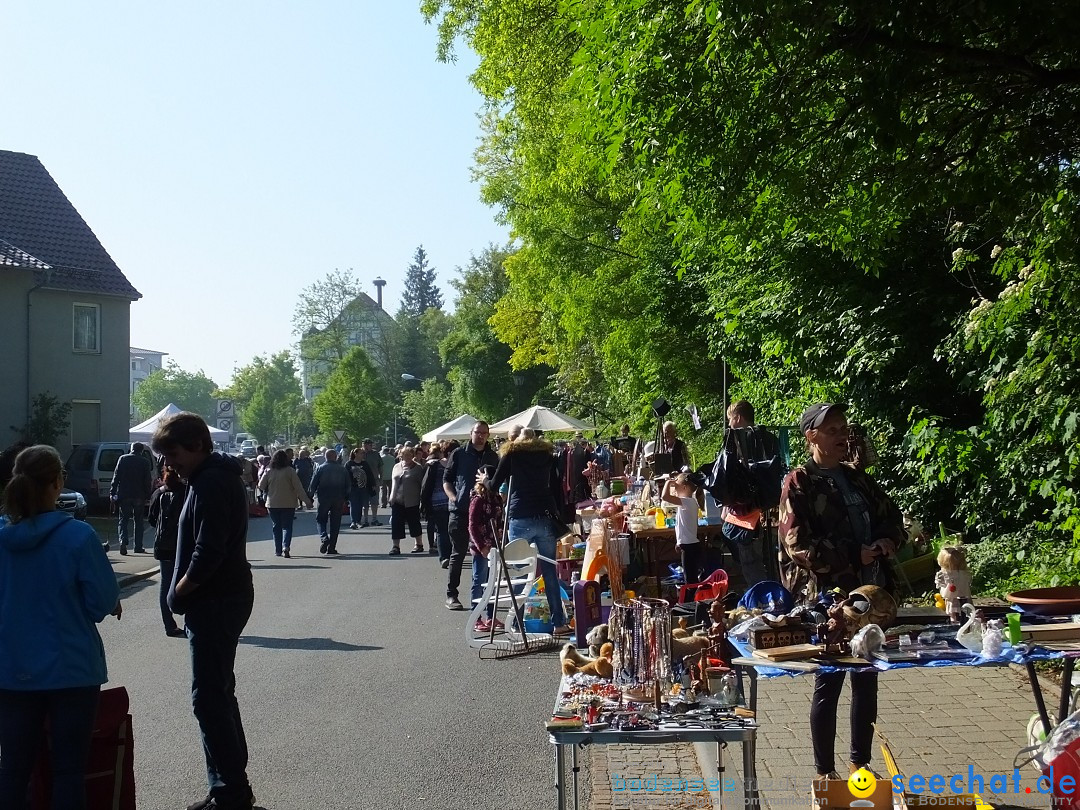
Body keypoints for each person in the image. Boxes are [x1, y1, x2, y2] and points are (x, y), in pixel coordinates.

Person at [778, 402, 905, 780]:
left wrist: (886, 541)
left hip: (871, 597)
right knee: (829, 681)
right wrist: (852, 553)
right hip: (829, 600)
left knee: (867, 678)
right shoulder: (799, 481)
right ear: (811, 436)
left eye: (843, 428)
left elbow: (892, 517)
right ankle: (825, 773)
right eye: (831, 430)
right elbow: (796, 544)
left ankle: (860, 766)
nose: (841, 436)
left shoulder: (858, 478)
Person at [0, 445, 121, 810]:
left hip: (11, 669)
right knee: (68, 772)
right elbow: (101, 602)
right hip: (71, 669)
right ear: (57, 483)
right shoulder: (79, 537)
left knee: (13, 770)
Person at [152, 412, 255, 810]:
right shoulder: (210, 476)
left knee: (209, 698)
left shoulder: (211, 481)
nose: (168, 463)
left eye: (173, 453)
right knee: (218, 695)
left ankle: (230, 792)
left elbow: (208, 550)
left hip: (214, 600)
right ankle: (231, 786)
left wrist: (178, 592)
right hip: (222, 597)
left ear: (197, 444)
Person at [491, 427, 571, 635]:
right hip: (544, 515)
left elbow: (494, 485)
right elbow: (555, 486)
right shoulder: (546, 455)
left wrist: (484, 480)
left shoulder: (512, 454)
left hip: (520, 515)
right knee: (549, 572)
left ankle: (517, 623)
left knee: (517, 572)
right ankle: (558, 623)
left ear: (517, 439)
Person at [444, 422, 499, 610]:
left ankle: (486, 598)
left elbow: (499, 482)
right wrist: (453, 498)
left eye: (485, 433)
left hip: (485, 514)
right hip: (460, 511)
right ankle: (452, 594)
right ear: (471, 433)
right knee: (458, 553)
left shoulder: (492, 456)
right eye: (478, 432)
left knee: (486, 555)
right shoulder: (459, 453)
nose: (481, 436)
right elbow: (447, 480)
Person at [719, 400, 770, 588]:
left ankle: (761, 600)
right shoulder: (766, 437)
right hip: (764, 508)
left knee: (751, 563)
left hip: (746, 514)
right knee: (759, 560)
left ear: (737, 418)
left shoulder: (740, 442)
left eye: (729, 420)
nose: (729, 424)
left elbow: (732, 479)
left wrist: (726, 504)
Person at [148, 465, 188, 637]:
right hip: (183, 546)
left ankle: (169, 625)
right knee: (187, 584)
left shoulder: (158, 493)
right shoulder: (187, 492)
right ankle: (190, 624)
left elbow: (151, 519)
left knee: (166, 585)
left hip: (163, 546)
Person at [468, 465, 504, 633]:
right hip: (481, 547)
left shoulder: (496, 498)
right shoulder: (478, 499)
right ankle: (476, 618)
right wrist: (481, 546)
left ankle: (491, 616)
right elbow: (472, 525)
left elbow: (500, 520)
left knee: (493, 583)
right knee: (479, 581)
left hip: (495, 545)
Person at [259, 450, 312, 557]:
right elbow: (299, 488)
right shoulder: (290, 471)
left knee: (276, 526)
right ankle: (286, 546)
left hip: (272, 503)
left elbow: (261, 485)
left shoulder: (269, 470)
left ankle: (278, 550)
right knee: (287, 526)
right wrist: (307, 501)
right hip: (288, 503)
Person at [661, 471, 708, 585]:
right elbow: (682, 526)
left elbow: (664, 497)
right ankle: (693, 596)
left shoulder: (686, 502)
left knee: (690, 578)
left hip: (689, 546)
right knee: (691, 575)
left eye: (676, 487)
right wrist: (679, 542)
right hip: (688, 543)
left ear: (684, 487)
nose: (675, 490)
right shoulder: (690, 502)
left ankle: (691, 599)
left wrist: (668, 483)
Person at [110, 440, 154, 555]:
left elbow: (116, 476)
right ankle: (138, 546)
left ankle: (122, 541)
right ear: (142, 451)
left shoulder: (123, 459)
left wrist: (112, 492)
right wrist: (148, 495)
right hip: (139, 495)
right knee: (139, 521)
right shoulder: (145, 462)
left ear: (131, 449)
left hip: (124, 494)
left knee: (123, 520)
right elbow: (147, 480)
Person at [309, 448, 351, 555]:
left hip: (323, 498)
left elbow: (313, 484)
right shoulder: (342, 469)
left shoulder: (320, 468)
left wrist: (310, 497)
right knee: (335, 523)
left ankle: (324, 537)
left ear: (325, 457)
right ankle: (332, 547)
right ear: (336, 457)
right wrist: (347, 498)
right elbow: (348, 486)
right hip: (338, 498)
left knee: (320, 519)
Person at [389, 446, 427, 555]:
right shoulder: (396, 466)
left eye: (410, 455)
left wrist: (422, 500)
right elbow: (393, 482)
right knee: (396, 524)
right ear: (401, 455)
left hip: (412, 500)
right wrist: (392, 496)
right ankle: (396, 546)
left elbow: (422, 485)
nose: (408, 457)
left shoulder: (418, 468)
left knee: (414, 523)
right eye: (405, 455)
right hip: (397, 500)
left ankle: (418, 544)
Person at [421, 441, 454, 566]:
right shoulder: (434, 465)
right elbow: (425, 486)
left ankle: (446, 557)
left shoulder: (453, 465)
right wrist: (424, 503)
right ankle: (445, 557)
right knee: (444, 530)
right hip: (440, 502)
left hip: (449, 501)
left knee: (445, 531)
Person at [345, 448, 370, 530]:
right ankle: (353, 521)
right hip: (352, 487)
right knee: (353, 504)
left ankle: (358, 521)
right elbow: (345, 475)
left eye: (363, 453)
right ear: (356, 454)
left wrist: (372, 484)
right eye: (361, 453)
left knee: (360, 505)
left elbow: (370, 475)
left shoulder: (365, 464)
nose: (363, 454)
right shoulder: (349, 464)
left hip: (363, 487)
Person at [359, 439, 381, 526]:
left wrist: (381, 478)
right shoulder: (359, 454)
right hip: (362, 481)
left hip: (374, 480)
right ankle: (365, 520)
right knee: (364, 502)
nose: (366, 446)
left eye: (368, 444)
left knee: (374, 501)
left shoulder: (375, 454)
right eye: (365, 444)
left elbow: (380, 466)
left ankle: (374, 519)